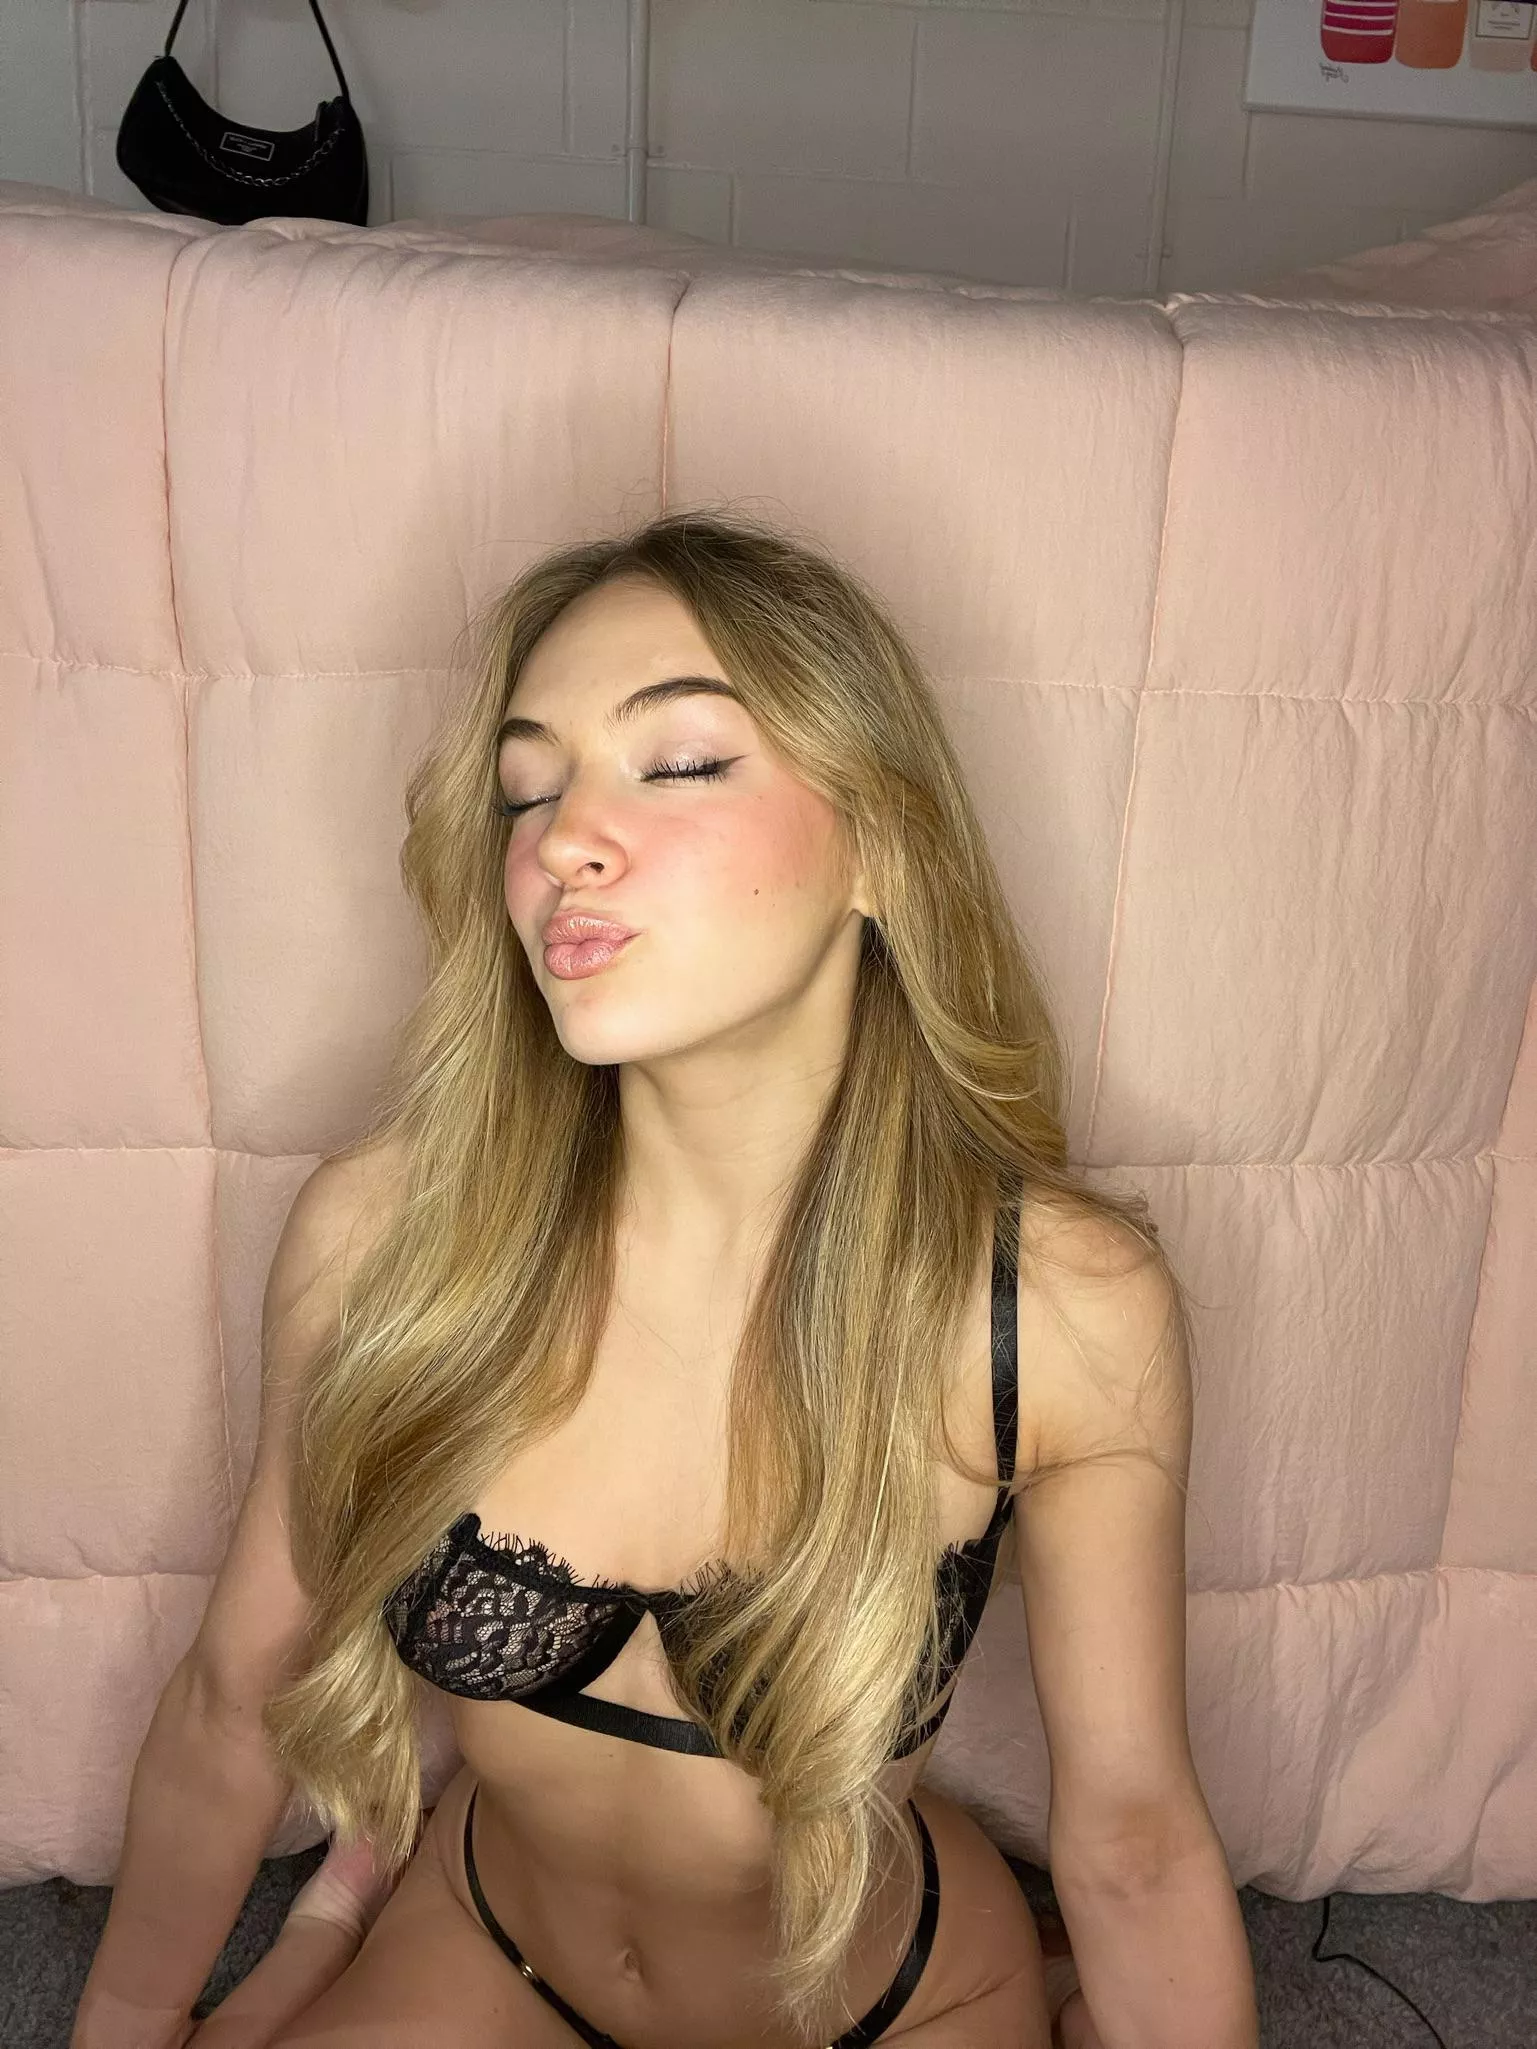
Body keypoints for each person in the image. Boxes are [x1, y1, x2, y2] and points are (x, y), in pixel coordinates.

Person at [75, 510, 1247, 2049]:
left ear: (881, 847)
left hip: (879, 2002)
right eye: (527, 788)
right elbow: (235, 1695)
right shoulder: (385, 1235)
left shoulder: (1058, 1308)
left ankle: (333, 1916)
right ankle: (344, 1915)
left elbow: (1135, 1837)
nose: (562, 839)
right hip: (496, 1943)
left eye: (679, 762)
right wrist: (123, 2019)